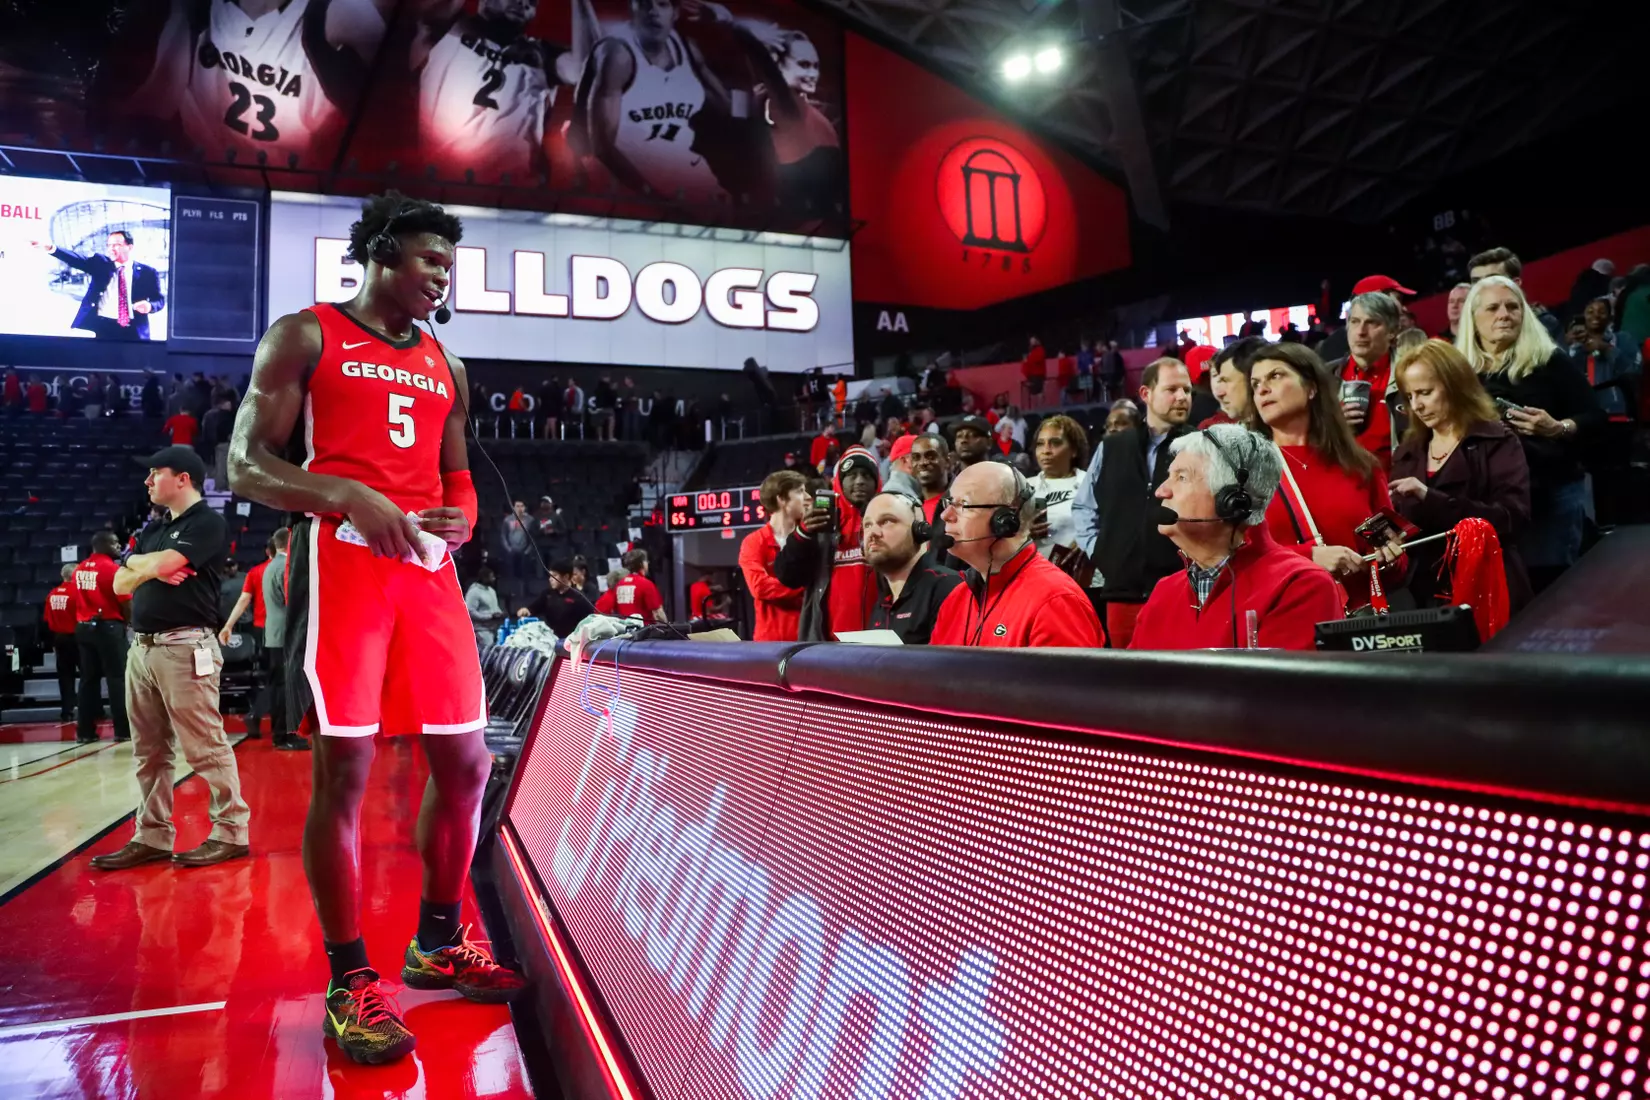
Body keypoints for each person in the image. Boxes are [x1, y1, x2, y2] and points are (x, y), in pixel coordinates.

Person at [228, 192, 520, 1064]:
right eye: (430, 259)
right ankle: (350, 980)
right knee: (346, 766)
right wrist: (345, 492)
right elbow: (245, 465)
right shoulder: (304, 334)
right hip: (341, 563)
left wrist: (460, 516)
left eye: (449, 265)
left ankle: (436, 939)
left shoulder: (447, 363)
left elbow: (457, 474)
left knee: (466, 761)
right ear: (383, 253)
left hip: (427, 571)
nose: (442, 276)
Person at [91, 445, 251, 871]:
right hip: (141, 650)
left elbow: (167, 563)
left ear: (182, 478)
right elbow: (122, 583)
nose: (147, 482)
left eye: (154, 473)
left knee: (205, 746)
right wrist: (148, 565)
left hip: (185, 648)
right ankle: (154, 835)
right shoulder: (153, 528)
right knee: (149, 752)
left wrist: (147, 565)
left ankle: (231, 831)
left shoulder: (208, 523)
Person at [1132, 425, 1344, 651]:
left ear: (1232, 502)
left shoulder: (1301, 587)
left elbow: (1281, 687)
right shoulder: (1164, 594)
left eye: (1181, 477)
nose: (1161, 491)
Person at [1456, 276, 1603, 593]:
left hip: (1552, 495)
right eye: (1493, 308)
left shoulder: (1549, 360)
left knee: (1553, 594)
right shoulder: (1460, 372)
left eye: (1512, 307)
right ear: (1473, 319)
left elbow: (1596, 418)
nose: (1504, 314)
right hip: (1492, 504)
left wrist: (1557, 427)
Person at [126, 0, 385, 170]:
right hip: (203, 173)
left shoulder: (337, 11)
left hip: (293, 186)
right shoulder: (198, 6)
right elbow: (159, 98)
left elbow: (389, 113)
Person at [1246, 343, 1404, 612]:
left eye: (1275, 376)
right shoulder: (1245, 470)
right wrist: (1309, 557)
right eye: (1255, 383)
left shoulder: (1361, 465)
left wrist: (1389, 559)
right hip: (1283, 622)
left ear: (1311, 388)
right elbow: (1235, 559)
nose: (1262, 388)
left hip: (1357, 626)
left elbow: (1397, 558)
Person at [1389, 341, 1532, 611]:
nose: (1416, 405)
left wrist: (1431, 498)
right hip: (1424, 593)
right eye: (1409, 396)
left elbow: (1512, 517)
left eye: (1425, 393)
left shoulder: (1497, 441)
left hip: (1488, 587)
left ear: (1455, 387)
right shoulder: (1408, 452)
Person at [1073, 357, 1194, 649]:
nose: (1182, 397)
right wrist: (1104, 554)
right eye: (1172, 389)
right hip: (1121, 594)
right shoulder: (1112, 446)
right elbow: (1084, 507)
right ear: (1145, 394)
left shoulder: (1199, 444)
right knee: (1126, 687)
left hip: (1182, 592)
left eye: (1187, 390)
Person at [930, 463, 1104, 648]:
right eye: (949, 503)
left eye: (963, 504)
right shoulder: (957, 599)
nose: (946, 515)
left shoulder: (1056, 601)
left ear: (1005, 520)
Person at [413, 0, 583, 184]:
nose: (524, 3)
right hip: (443, 183)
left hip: (513, 190)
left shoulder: (542, 53)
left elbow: (589, 68)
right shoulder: (449, 27)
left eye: (532, 2)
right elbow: (430, 12)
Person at [579, 0, 731, 205]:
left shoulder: (686, 48)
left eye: (662, 4)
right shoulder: (618, 53)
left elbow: (728, 107)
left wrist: (728, 27)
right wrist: (657, 199)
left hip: (684, 173)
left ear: (676, 13)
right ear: (631, 8)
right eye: (643, 4)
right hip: (632, 181)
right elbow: (602, 148)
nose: (653, 12)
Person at [771, 446, 882, 641]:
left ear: (877, 482)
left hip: (881, 644)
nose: (859, 481)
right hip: (827, 645)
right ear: (839, 481)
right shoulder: (819, 523)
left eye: (866, 475)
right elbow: (787, 576)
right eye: (852, 475)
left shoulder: (889, 521)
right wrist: (803, 534)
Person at [861, 493, 961, 644]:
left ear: (919, 531)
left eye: (887, 521)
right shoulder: (883, 600)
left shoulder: (947, 588)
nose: (873, 533)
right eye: (867, 525)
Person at [30, 232, 165, 340]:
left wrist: (150, 306)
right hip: (102, 326)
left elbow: (159, 300)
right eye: (109, 245)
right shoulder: (100, 263)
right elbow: (76, 259)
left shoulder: (148, 272)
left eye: (116, 244)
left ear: (129, 247)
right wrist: (52, 248)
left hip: (133, 330)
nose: (111, 249)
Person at [1325, 292, 1401, 470]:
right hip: (1340, 482)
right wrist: (1333, 424)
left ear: (1392, 331)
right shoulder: (1324, 376)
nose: (1361, 332)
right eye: (1355, 321)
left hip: (1395, 486)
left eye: (1372, 322)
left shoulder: (1409, 375)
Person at [72, 530, 132, 744]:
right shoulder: (113, 569)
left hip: (83, 627)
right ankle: (123, 730)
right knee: (117, 678)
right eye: (115, 543)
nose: (119, 547)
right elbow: (125, 601)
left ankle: (85, 732)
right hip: (108, 627)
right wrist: (130, 622)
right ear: (103, 545)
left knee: (88, 681)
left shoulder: (79, 569)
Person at [1027, 415, 1099, 592]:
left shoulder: (1093, 484)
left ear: (1074, 450)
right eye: (1040, 444)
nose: (1046, 450)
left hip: (1086, 582)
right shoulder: (1023, 487)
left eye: (1055, 443)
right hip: (1036, 583)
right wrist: (1021, 532)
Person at [738, 470, 809, 641]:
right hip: (770, 642)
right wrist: (807, 587)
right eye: (800, 491)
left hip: (809, 637)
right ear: (781, 499)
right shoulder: (754, 542)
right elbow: (760, 587)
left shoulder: (811, 538)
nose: (807, 497)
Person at [261, 528, 308, 750]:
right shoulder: (285, 566)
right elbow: (293, 601)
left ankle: (282, 734)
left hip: (273, 633)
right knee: (284, 687)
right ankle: (284, 735)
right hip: (285, 636)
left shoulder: (271, 566)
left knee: (278, 686)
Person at [1568, 297, 1642, 419]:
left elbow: (1634, 371)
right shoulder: (1575, 343)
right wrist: (1569, 347)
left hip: (1616, 414)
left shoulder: (1623, 339)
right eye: (1590, 312)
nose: (1595, 315)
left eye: (1601, 312)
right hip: (1581, 416)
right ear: (1583, 316)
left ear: (1610, 317)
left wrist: (1606, 348)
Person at [1467, 247, 1562, 340]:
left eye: (1493, 280)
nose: (1482, 287)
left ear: (1515, 284)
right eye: (1476, 282)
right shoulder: (1468, 328)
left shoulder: (1543, 325)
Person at [516, 561, 592, 638]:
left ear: (566, 576)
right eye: (550, 576)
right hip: (550, 639)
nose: (550, 579)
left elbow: (590, 619)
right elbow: (533, 608)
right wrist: (526, 611)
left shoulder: (579, 597)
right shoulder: (547, 594)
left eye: (554, 576)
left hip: (571, 641)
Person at [43, 564, 80, 723]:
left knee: (65, 676)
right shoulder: (77, 593)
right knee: (88, 675)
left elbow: (46, 619)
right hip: (77, 638)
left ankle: (67, 710)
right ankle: (91, 708)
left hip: (59, 638)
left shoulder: (52, 594)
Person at [605, 549, 667, 622]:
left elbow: (614, 609)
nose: (648, 563)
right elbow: (658, 612)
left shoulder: (620, 584)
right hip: (644, 630)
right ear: (642, 563)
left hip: (625, 629)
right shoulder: (646, 584)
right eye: (646, 561)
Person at [497, 500, 535, 607]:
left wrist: (529, 550)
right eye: (517, 506)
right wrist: (508, 548)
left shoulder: (530, 520)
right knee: (512, 573)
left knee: (525, 572)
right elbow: (503, 536)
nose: (520, 508)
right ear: (513, 507)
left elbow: (533, 537)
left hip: (525, 550)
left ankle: (525, 592)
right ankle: (512, 592)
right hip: (511, 550)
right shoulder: (507, 520)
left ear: (525, 507)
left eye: (522, 506)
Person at [908, 434, 952, 526]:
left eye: (930, 456)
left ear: (947, 462)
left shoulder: (960, 502)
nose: (922, 462)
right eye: (916, 457)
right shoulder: (910, 509)